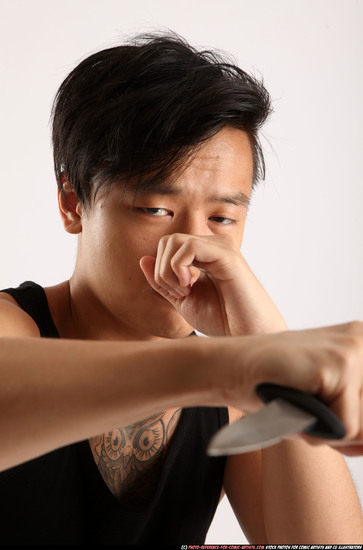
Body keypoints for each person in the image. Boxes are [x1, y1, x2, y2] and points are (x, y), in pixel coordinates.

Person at [0, 32, 362, 544]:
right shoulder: (13, 327)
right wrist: (235, 368)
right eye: (156, 210)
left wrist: (267, 343)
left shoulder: (233, 398)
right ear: (72, 201)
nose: (191, 247)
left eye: (222, 217)